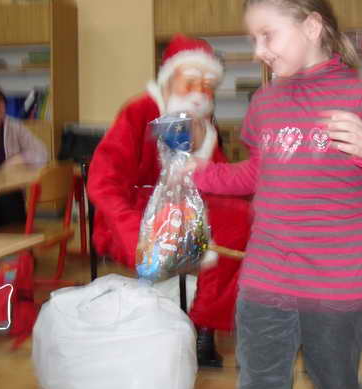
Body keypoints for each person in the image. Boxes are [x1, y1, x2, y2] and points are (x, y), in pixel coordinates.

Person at [190, 0, 362, 389]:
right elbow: (258, 173)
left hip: (338, 287)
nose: (258, 51)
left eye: (267, 35)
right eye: (253, 39)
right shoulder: (264, 103)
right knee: (259, 384)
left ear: (312, 27)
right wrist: (199, 174)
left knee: (335, 384)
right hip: (264, 279)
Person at [87, 34, 252, 367]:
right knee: (229, 225)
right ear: (168, 77)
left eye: (207, 85)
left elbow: (218, 179)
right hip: (135, 217)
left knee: (242, 219)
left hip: (188, 211)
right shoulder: (139, 111)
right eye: (190, 81)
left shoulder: (203, 124)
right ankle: (183, 326)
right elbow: (103, 181)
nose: (199, 91)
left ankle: (204, 325)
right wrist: (133, 231)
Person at [0, 83, 48, 227]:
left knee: (10, 197)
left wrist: (19, 158)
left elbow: (42, 153)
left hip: (10, 195)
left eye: (0, 102)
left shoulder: (13, 126)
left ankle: (20, 235)